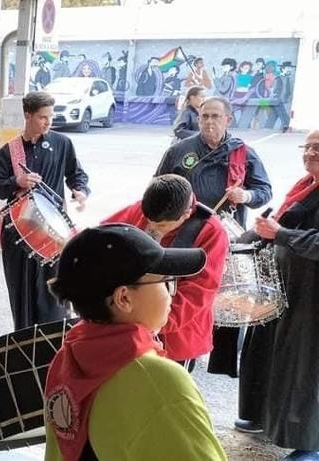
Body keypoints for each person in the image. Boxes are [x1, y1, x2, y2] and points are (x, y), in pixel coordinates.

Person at [42, 224, 226, 460]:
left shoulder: (68, 358)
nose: (172, 292)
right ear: (124, 298)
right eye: (165, 281)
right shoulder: (160, 380)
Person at [154, 95, 272, 409]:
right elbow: (158, 186)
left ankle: (216, 355)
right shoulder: (180, 151)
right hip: (183, 237)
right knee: (187, 296)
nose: (208, 121)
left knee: (220, 297)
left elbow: (264, 191)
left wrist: (244, 193)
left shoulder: (243, 153)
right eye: (204, 115)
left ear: (228, 119)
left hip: (223, 238)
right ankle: (181, 348)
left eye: (215, 116)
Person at [102, 174, 228, 370]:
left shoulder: (211, 231)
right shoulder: (144, 210)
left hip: (174, 335)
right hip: (129, 324)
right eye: (148, 220)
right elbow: (103, 235)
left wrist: (151, 322)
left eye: (161, 225)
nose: (151, 227)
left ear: (186, 214)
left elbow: (198, 293)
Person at [246, 131, 319, 460]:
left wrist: (282, 234)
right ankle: (272, 422)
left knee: (307, 372)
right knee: (281, 363)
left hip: (313, 301)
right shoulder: (305, 187)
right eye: (308, 147)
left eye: (318, 148)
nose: (310, 154)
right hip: (290, 290)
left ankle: (310, 444)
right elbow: (279, 223)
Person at [0, 91, 90, 331]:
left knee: (53, 297)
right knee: (22, 295)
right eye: (42, 117)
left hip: (54, 232)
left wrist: (80, 190)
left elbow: (76, 174)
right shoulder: (10, 151)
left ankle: (52, 347)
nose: (48, 122)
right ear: (27, 115)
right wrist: (18, 181)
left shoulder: (62, 144)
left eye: (50, 116)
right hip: (18, 233)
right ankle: (25, 343)